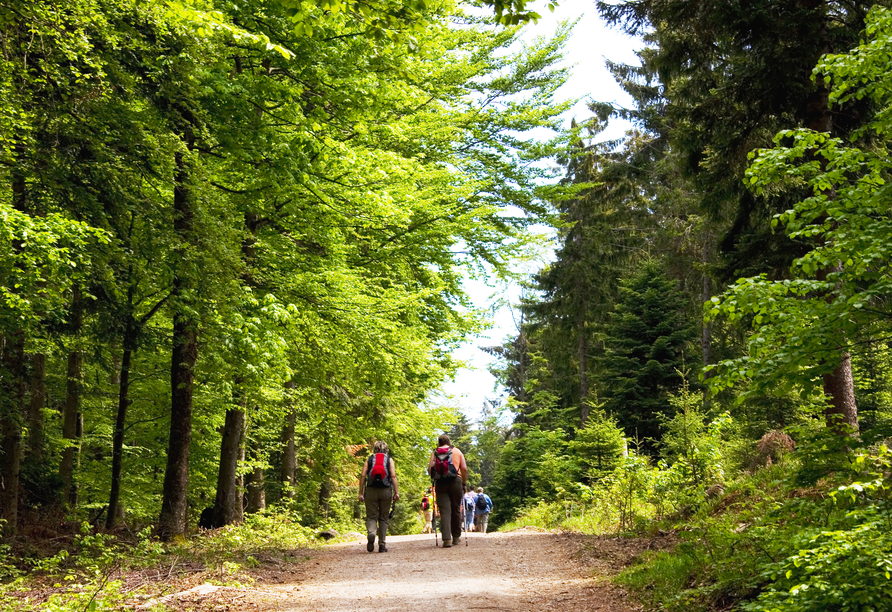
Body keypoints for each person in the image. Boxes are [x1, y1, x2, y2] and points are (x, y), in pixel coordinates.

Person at [428, 433, 468, 548]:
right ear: (449, 442)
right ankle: (456, 537)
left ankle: (446, 539)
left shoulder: (435, 452)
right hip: (456, 481)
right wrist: (464, 483)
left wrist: (435, 477)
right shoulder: (456, 451)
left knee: (444, 511)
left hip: (440, 483)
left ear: (439, 442)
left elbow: (430, 469)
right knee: (455, 509)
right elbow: (464, 469)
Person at [358, 441, 399, 553]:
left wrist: (360, 492)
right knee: (383, 518)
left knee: (371, 516)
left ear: (374, 449)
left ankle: (371, 532)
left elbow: (362, 476)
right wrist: (396, 492)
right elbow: (393, 476)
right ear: (386, 449)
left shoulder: (369, 459)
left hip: (371, 490)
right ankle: (382, 544)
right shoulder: (389, 460)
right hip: (386, 491)